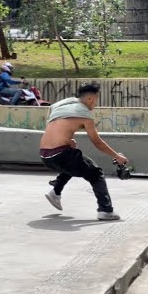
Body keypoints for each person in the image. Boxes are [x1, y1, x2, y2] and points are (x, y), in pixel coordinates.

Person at [39, 82, 128, 220]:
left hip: (45, 155)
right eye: (96, 100)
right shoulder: (85, 114)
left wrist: (68, 140)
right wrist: (117, 156)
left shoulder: (62, 106)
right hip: (61, 155)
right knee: (96, 173)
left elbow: (55, 128)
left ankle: (55, 192)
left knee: (75, 162)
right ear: (90, 99)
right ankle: (106, 210)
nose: (95, 105)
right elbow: (96, 141)